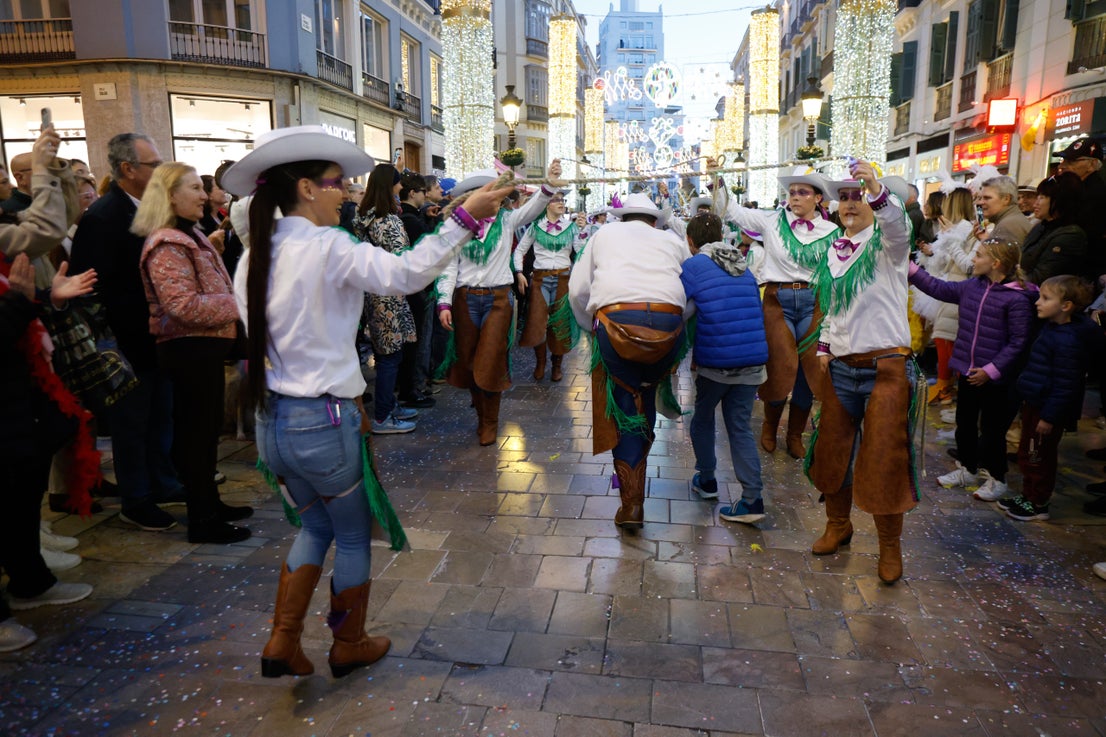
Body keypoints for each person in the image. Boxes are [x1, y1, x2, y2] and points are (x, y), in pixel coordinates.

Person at [222, 124, 512, 679]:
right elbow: (405, 275)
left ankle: (283, 639)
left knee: (313, 529)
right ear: (306, 188)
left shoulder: (254, 256)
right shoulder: (328, 246)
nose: (347, 192)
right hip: (323, 421)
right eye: (337, 183)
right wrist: (464, 218)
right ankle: (347, 643)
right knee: (352, 535)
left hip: (273, 424)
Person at [804, 162, 917, 585]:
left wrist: (877, 189)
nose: (852, 203)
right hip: (842, 370)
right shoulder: (835, 249)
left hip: (886, 369)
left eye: (859, 196)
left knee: (885, 458)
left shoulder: (889, 245)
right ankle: (838, 525)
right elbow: (834, 306)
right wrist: (823, 346)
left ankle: (889, 546)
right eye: (846, 196)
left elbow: (898, 226)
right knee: (832, 451)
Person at [70, 133, 186, 532]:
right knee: (132, 423)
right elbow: (94, 285)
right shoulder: (103, 216)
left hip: (156, 337)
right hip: (126, 341)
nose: (160, 169)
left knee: (160, 415)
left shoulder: (149, 209)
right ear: (128, 169)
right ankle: (136, 499)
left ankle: (164, 482)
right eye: (153, 163)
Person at [133, 162, 252, 544]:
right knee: (195, 435)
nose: (204, 194)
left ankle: (211, 505)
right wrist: (239, 303)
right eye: (194, 188)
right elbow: (181, 305)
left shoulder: (189, 234)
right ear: (169, 196)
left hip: (203, 349)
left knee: (204, 433)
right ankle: (203, 519)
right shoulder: (167, 242)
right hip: (188, 350)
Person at [567, 193, 692, 529]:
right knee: (645, 393)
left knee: (625, 402)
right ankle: (635, 488)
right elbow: (690, 291)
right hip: (668, 326)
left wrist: (590, 328)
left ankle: (632, 504)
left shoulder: (603, 234)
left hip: (615, 324)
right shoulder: (672, 239)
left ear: (623, 218)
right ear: (655, 220)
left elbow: (578, 290)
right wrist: (676, 322)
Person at [712, 163, 840, 459]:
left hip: (815, 302)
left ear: (817, 198)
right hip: (777, 301)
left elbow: (837, 273)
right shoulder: (772, 221)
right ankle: (770, 427)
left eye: (802, 192)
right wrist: (717, 181)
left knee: (809, 374)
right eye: (792, 192)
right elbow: (733, 212)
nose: (795, 197)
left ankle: (795, 434)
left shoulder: (832, 231)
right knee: (779, 367)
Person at [1, 253, 96, 636]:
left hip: (17, 402)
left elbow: (14, 305)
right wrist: (23, 303)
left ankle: (30, 581)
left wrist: (46, 298)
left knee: (20, 499)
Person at [436, 161, 561, 446]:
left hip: (498, 300)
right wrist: (444, 302)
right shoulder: (454, 225)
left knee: (491, 360)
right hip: (465, 299)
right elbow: (447, 266)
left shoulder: (507, 219)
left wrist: (550, 184)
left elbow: (532, 208)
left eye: (496, 196)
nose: (495, 201)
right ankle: (481, 415)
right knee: (468, 361)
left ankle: (490, 422)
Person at [911, 239, 1036, 502]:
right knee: (965, 424)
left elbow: (1019, 342)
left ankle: (997, 477)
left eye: (978, 256)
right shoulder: (973, 286)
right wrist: (912, 271)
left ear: (996, 263)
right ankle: (968, 468)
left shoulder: (1017, 298)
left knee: (991, 430)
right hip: (968, 371)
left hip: (996, 379)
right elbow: (939, 288)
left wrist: (991, 370)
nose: (973, 260)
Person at [680, 212, 768, 523]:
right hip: (753, 359)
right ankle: (752, 499)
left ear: (690, 241)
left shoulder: (693, 265)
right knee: (740, 428)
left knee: (703, 419)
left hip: (717, 361)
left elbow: (680, 307)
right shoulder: (742, 264)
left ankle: (707, 480)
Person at [1000, 276, 1097, 521]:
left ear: (1066, 306)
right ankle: (1028, 493)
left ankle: (1038, 502)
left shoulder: (1068, 341)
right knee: (1028, 452)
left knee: (1038, 456)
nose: (1037, 303)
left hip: (1046, 411)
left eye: (1045, 298)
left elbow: (1067, 384)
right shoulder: (1052, 327)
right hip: (1036, 403)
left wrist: (1049, 416)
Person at [354, 164, 420, 434]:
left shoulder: (365, 217)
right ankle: (382, 416)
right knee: (390, 356)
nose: (401, 187)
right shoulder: (387, 219)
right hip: (388, 293)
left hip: (375, 291)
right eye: (398, 182)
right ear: (389, 185)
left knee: (389, 354)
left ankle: (389, 405)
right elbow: (401, 255)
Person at [911, 185, 976, 405]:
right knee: (942, 337)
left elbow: (966, 265)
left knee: (946, 338)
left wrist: (948, 242)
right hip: (945, 286)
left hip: (956, 289)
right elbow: (942, 261)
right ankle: (944, 384)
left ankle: (945, 386)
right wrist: (931, 252)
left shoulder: (966, 229)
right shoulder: (952, 227)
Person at [514, 191, 580, 382]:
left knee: (559, 324)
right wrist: (519, 273)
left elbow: (581, 251)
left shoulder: (572, 227)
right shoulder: (535, 227)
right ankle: (540, 363)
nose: (561, 203)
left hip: (563, 279)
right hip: (541, 280)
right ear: (546, 205)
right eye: (556, 200)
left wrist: (582, 233)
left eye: (563, 200)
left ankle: (557, 365)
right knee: (537, 323)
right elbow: (519, 251)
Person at [395, 171, 436, 406]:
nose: (427, 196)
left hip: (412, 286)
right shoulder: (409, 221)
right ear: (413, 193)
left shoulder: (409, 218)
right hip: (418, 287)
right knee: (419, 340)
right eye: (423, 192)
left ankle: (413, 386)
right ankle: (414, 388)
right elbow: (427, 252)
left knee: (416, 340)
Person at [1020, 172, 1089, 285]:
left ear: (1059, 201)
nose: (1035, 204)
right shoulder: (1040, 226)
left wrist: (1010, 281)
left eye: (1042, 197)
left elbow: (1041, 278)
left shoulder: (1071, 235)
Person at [1053, 137, 1106, 279]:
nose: (1062, 166)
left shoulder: (1096, 195)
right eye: (1063, 161)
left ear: (1092, 164)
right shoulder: (1075, 190)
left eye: (1071, 161)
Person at [974, 175, 1033, 248]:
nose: (980, 203)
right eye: (980, 198)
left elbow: (1002, 258)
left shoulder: (1008, 226)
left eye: (987, 198)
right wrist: (986, 240)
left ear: (1006, 199)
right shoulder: (1009, 221)